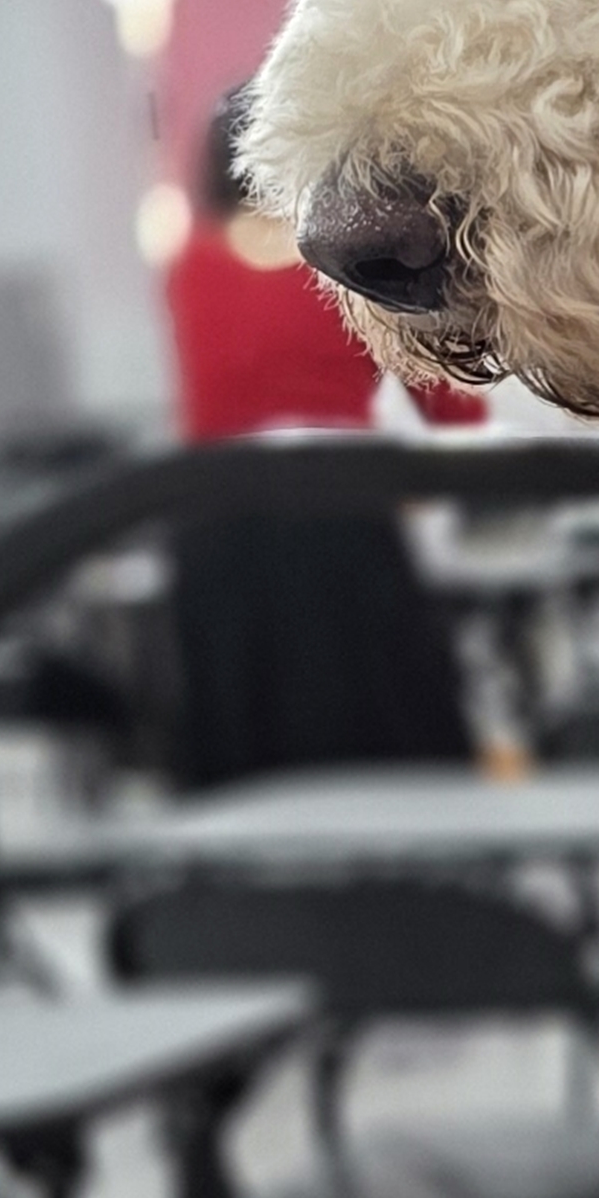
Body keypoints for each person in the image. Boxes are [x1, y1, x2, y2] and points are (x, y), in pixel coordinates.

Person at [155, 86, 479, 787]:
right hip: (340, 512)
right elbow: (444, 404)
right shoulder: (340, 266)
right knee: (382, 741)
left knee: (244, 745)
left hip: (216, 524)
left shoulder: (188, 270)